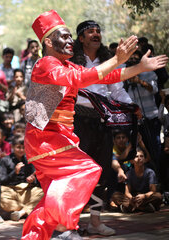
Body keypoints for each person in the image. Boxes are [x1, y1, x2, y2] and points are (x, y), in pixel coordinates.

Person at [22, 10, 167, 240]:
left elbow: (105, 77)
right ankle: (63, 229)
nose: (70, 41)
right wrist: (117, 59)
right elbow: (80, 80)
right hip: (46, 139)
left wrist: (139, 67)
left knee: (52, 195)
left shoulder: (68, 66)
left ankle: (36, 236)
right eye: (65, 36)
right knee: (87, 169)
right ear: (48, 42)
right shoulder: (46, 63)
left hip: (57, 138)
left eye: (71, 36)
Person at [70, 20, 136, 236]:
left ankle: (95, 222)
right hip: (77, 121)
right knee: (78, 174)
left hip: (102, 121)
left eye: (98, 31)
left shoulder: (110, 60)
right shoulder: (71, 61)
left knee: (101, 171)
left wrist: (131, 105)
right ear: (81, 38)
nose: (96, 34)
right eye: (90, 32)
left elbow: (117, 91)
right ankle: (72, 223)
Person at [0, 135, 43, 221]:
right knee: (2, 198)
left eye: (23, 147)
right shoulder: (5, 160)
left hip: (26, 190)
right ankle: (28, 209)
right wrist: (15, 172)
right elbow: (1, 180)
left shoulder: (29, 160)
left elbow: (34, 179)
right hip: (10, 189)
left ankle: (21, 212)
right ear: (12, 147)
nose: (21, 150)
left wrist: (32, 181)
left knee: (41, 193)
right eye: (18, 147)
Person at [111, 147, 162, 213]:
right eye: (136, 156)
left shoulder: (150, 172)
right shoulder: (129, 173)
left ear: (144, 159)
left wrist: (144, 196)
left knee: (158, 196)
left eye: (141, 156)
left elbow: (153, 190)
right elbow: (127, 192)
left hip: (145, 196)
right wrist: (132, 199)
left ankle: (132, 207)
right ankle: (144, 207)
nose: (139, 158)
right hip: (134, 197)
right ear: (131, 161)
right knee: (115, 195)